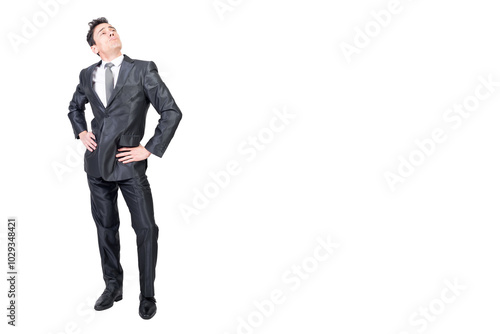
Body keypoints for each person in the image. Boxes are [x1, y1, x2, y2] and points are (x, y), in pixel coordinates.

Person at [67, 17, 182, 320]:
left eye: (112, 29)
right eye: (103, 33)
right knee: (106, 228)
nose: (111, 32)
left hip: (130, 165)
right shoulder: (86, 74)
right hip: (96, 167)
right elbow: (74, 107)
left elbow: (171, 111)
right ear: (95, 48)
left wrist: (149, 148)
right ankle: (113, 286)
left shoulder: (143, 69)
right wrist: (80, 131)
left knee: (146, 229)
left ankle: (147, 295)